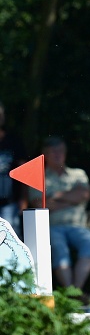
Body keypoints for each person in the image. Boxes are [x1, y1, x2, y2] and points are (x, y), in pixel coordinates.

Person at [27, 136, 90, 299]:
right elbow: (40, 205)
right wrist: (71, 200)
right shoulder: (38, 177)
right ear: (45, 155)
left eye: (61, 151)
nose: (58, 155)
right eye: (54, 152)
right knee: (60, 251)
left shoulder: (78, 174)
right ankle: (74, 294)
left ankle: (73, 292)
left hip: (79, 226)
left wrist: (55, 196)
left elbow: (85, 194)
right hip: (52, 227)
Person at [0, 100, 28, 237]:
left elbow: (24, 171)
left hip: (9, 204)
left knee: (10, 242)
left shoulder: (14, 141)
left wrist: (24, 199)